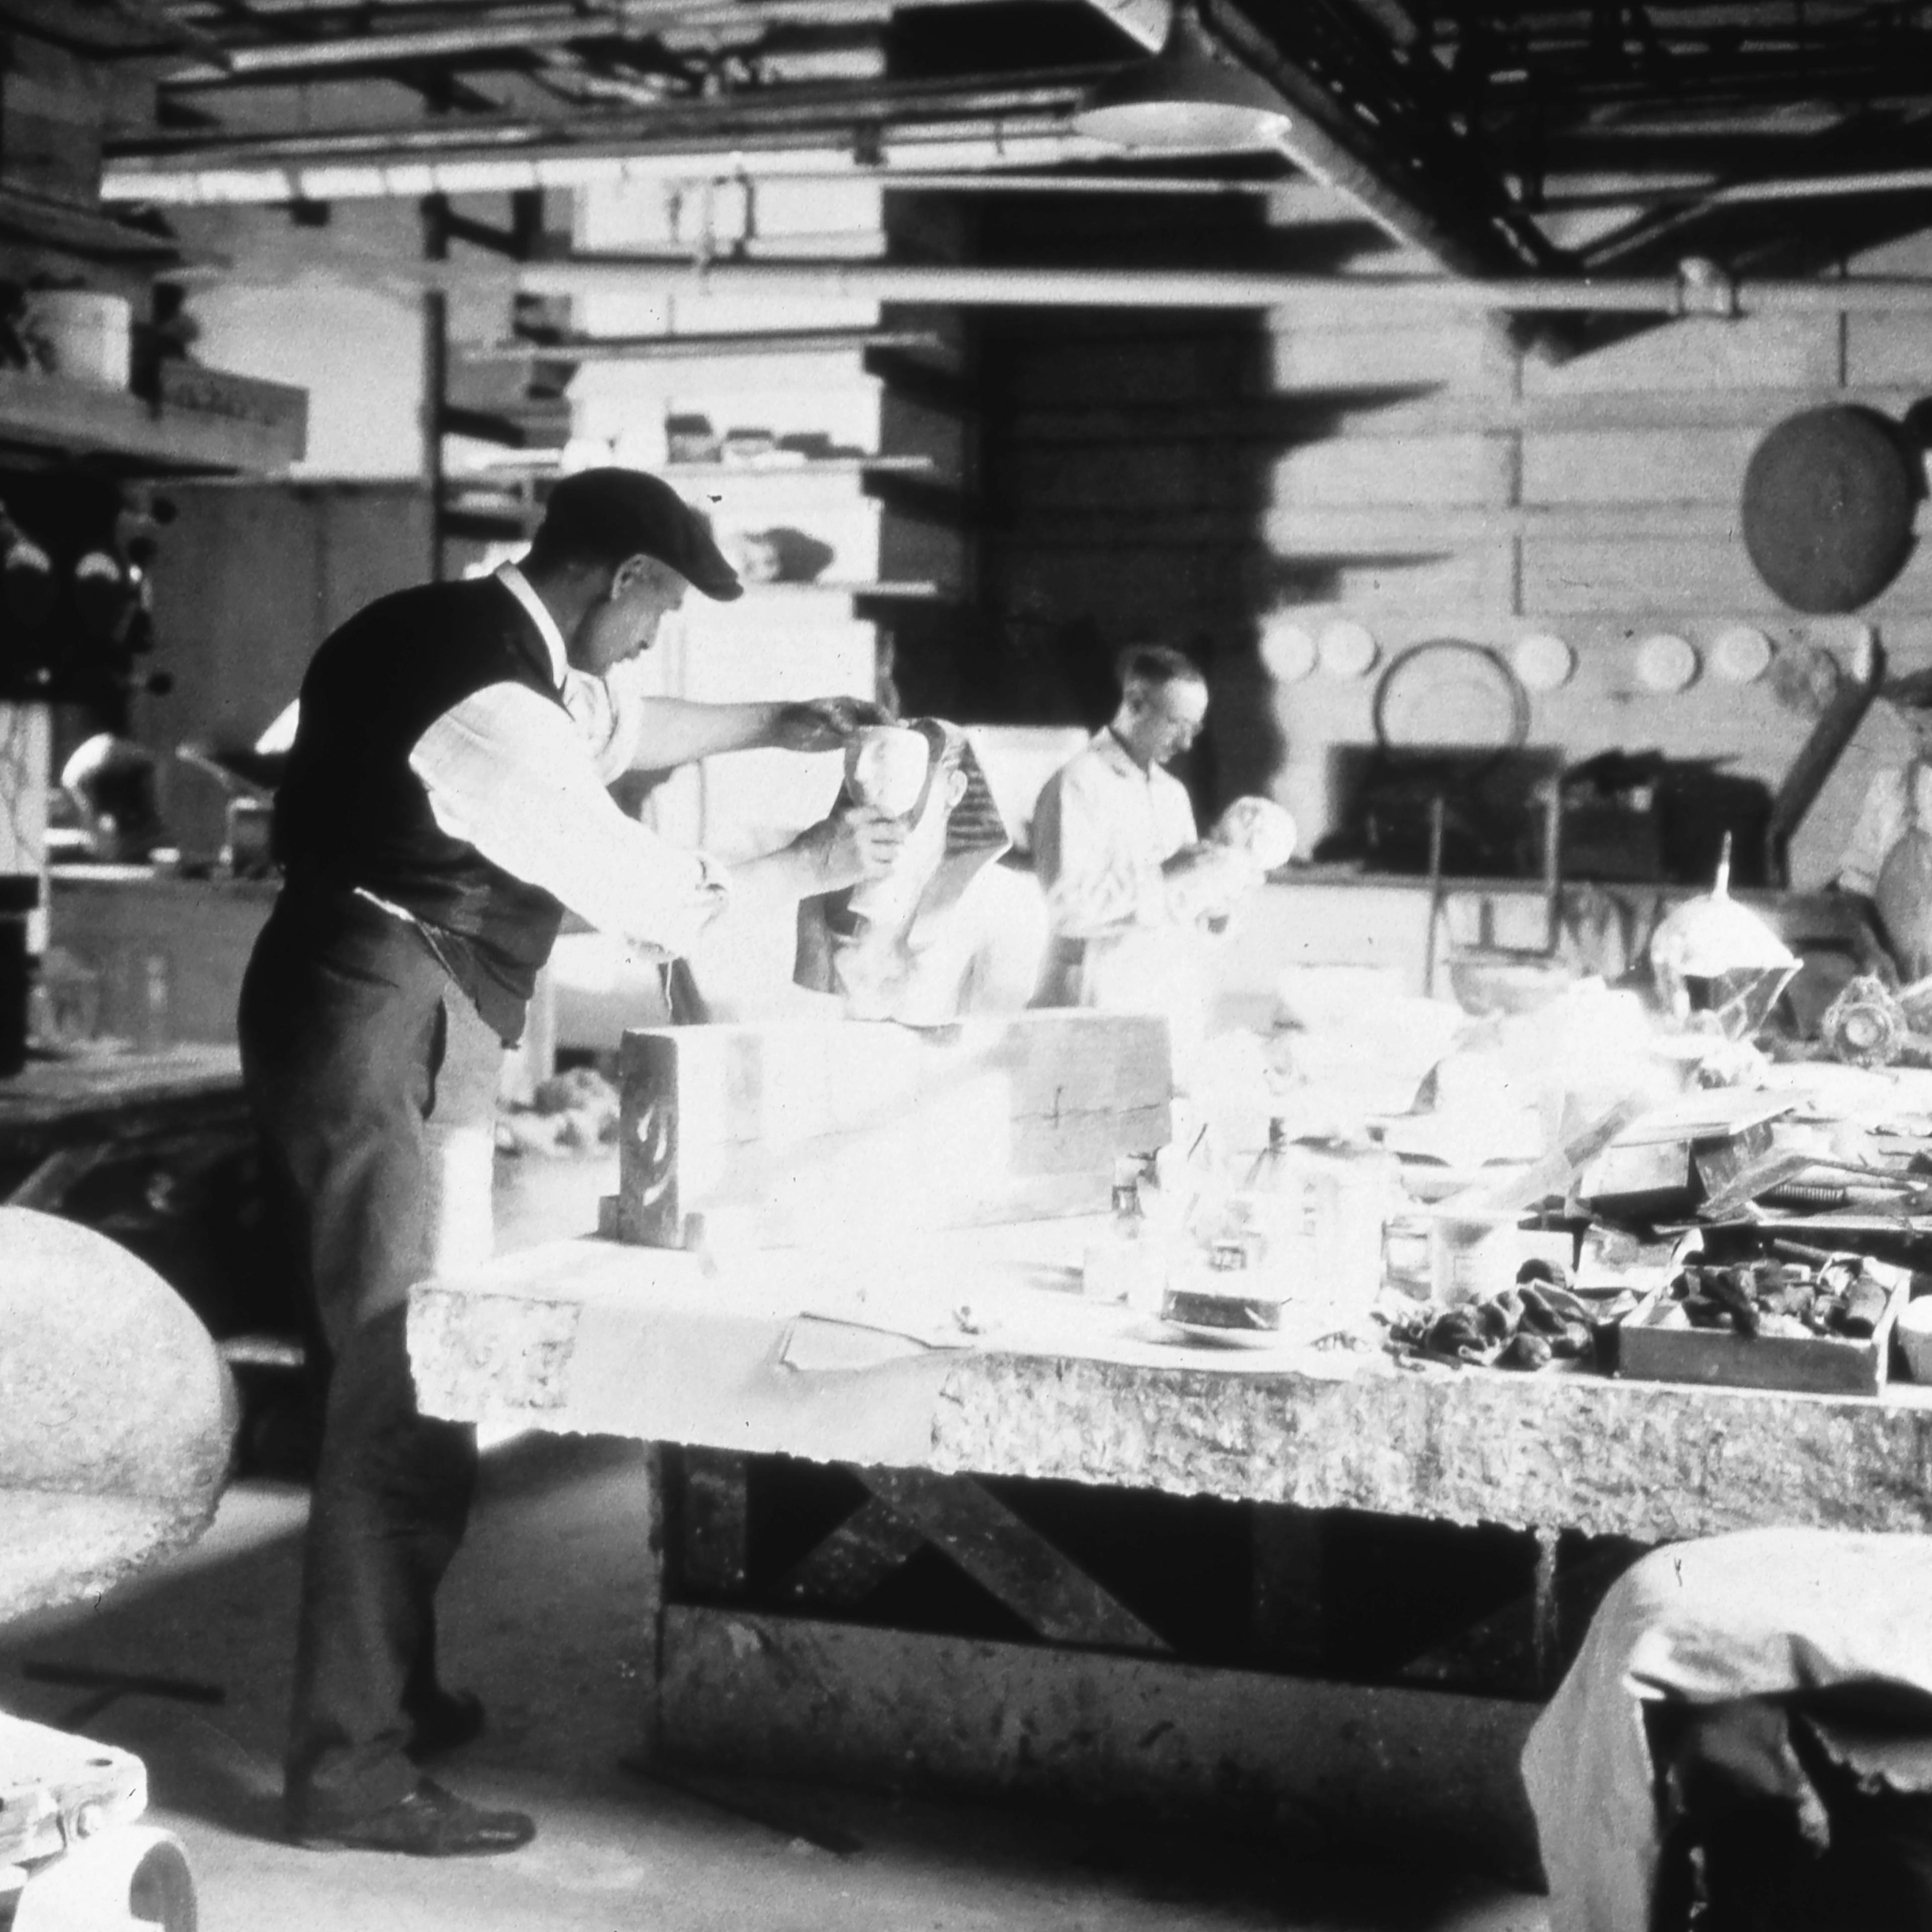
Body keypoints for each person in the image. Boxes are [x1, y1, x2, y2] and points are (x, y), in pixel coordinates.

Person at [239, 467, 901, 1859]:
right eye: (662, 610)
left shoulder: (468, 631)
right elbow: (652, 895)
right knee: (403, 1379)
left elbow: (630, 719)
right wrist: (817, 855)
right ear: (626, 583)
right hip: (390, 1016)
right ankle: (350, 1767)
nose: (659, 640)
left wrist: (785, 723)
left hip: (379, 994)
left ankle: (394, 1691)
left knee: (420, 1361)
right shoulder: (492, 714)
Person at [794, 718, 1046, 1024]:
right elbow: (810, 1026)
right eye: (866, 764)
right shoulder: (821, 894)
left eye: (897, 766)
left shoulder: (1008, 902)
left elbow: (991, 1042)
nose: (869, 782)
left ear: (955, 789)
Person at [1835, 668, 1932, 980]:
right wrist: (1870, 948)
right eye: (1916, 729)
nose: (1924, 741)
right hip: (1903, 976)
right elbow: (1855, 888)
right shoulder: (1890, 789)